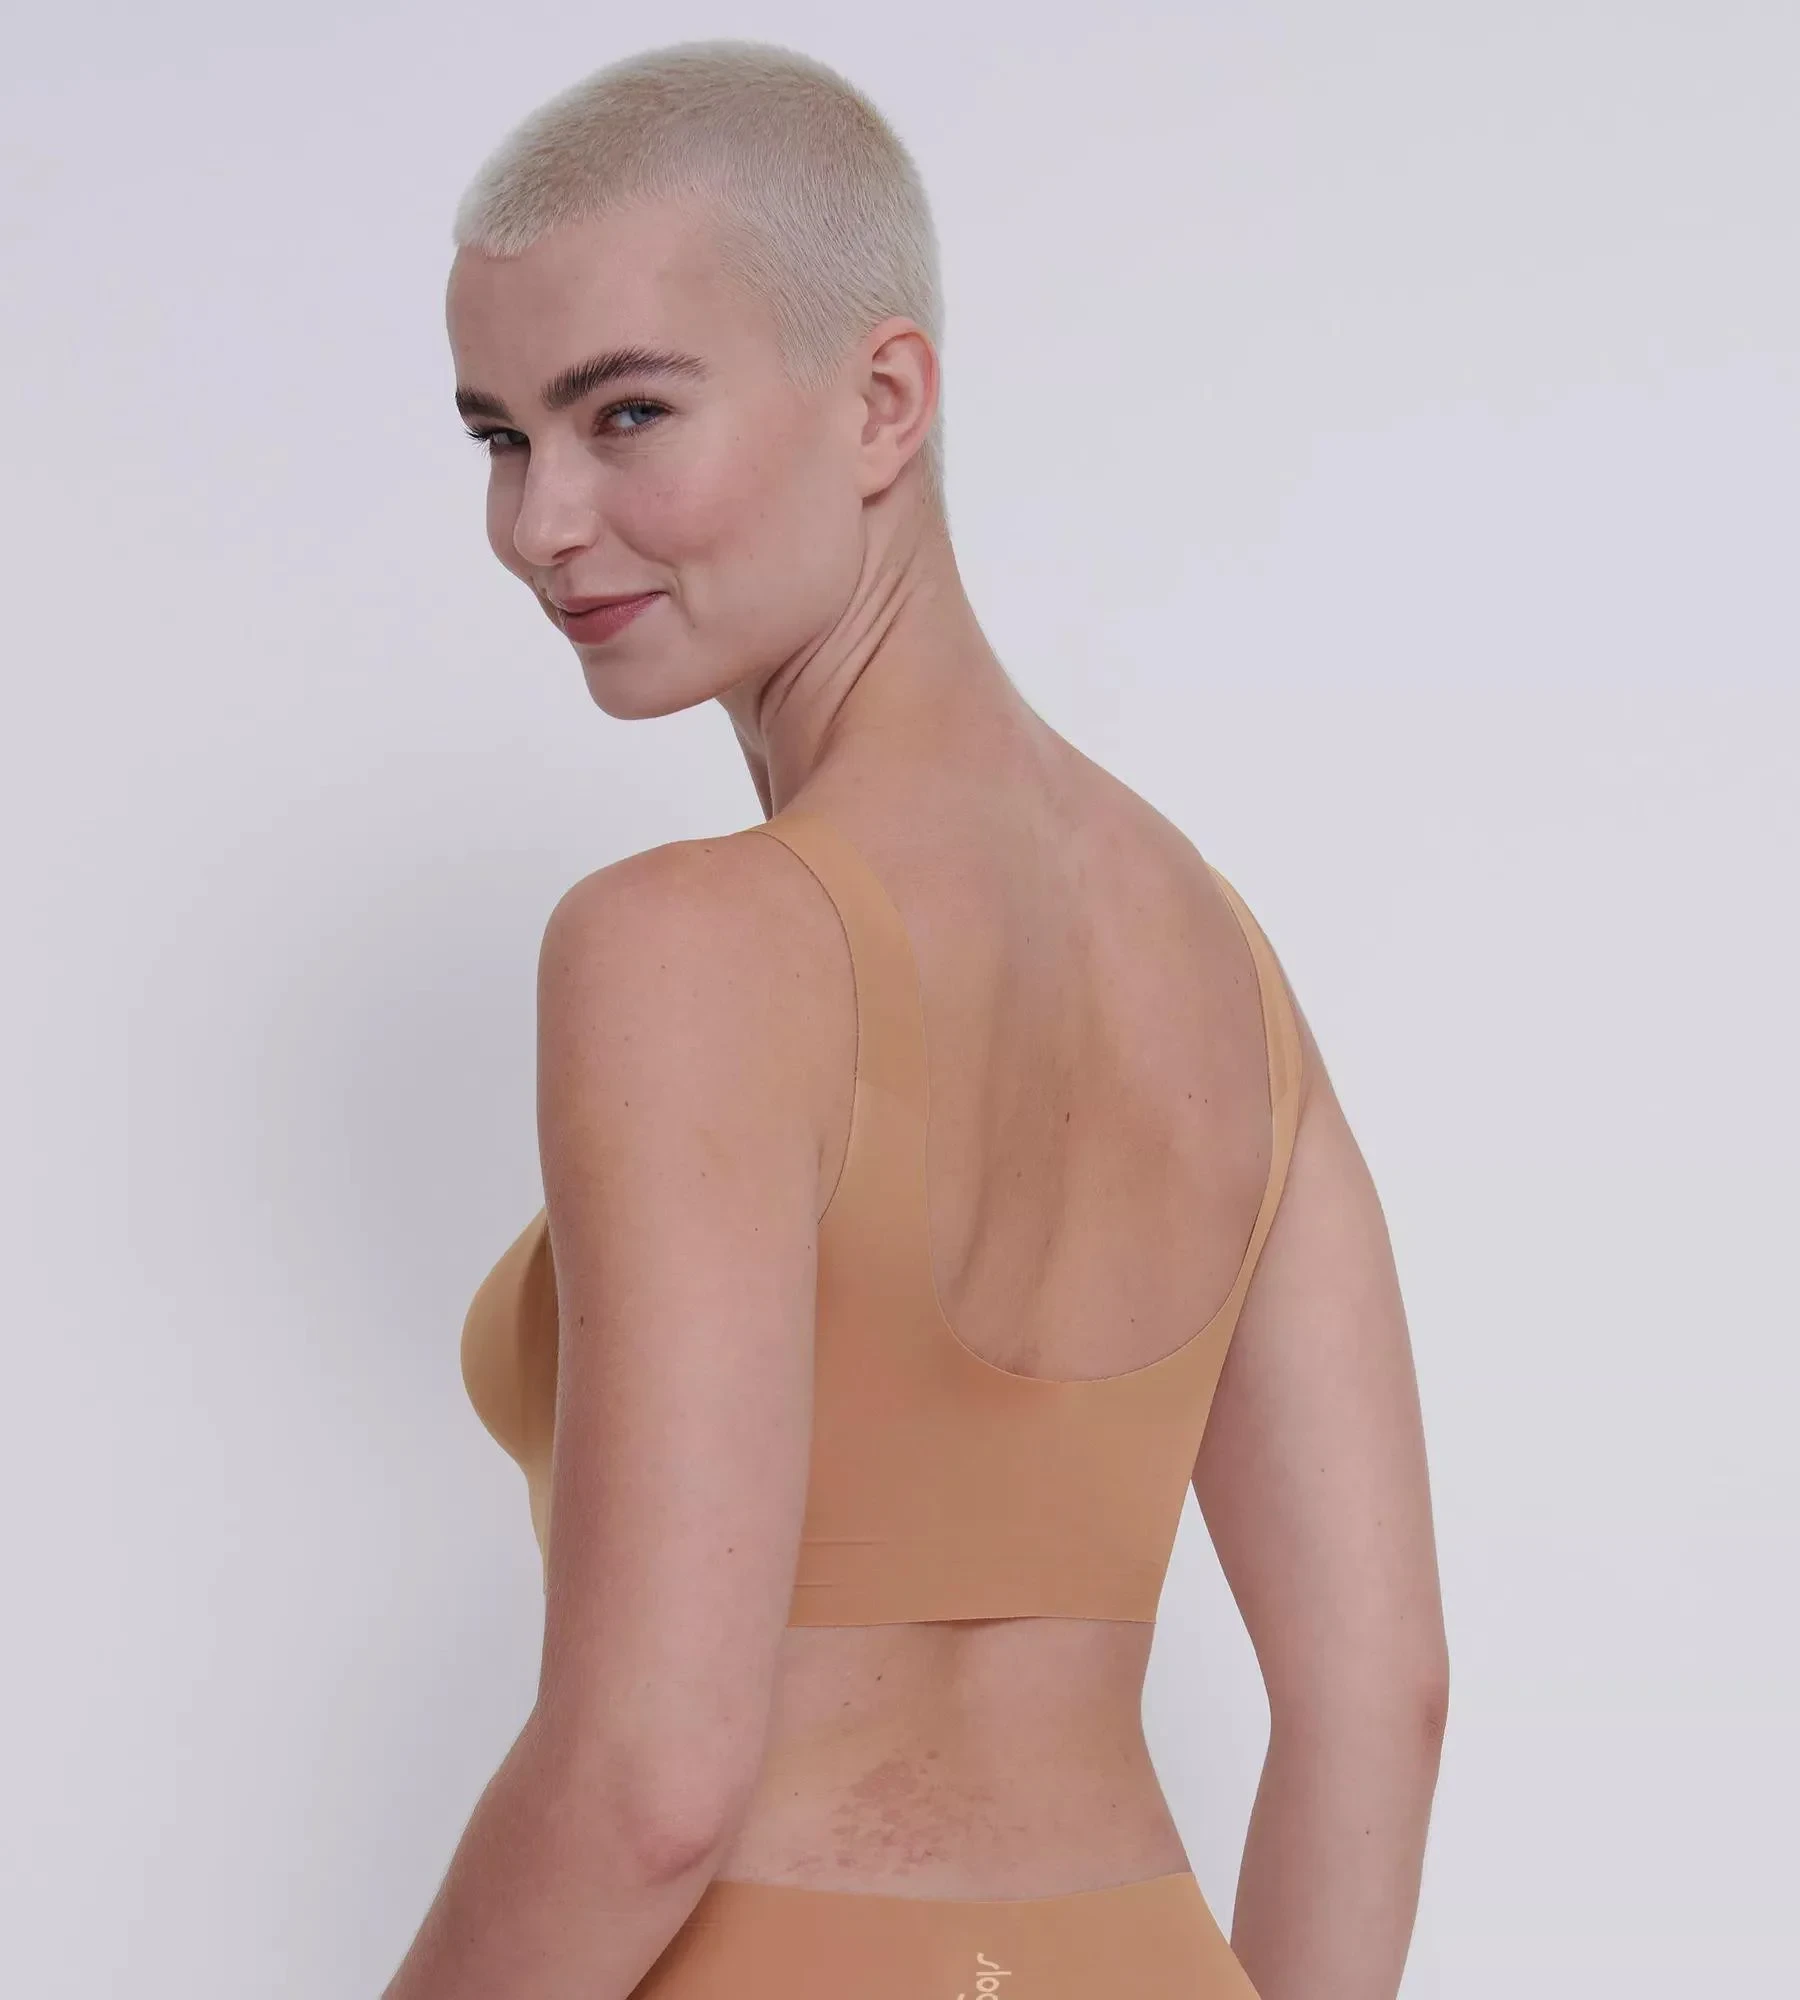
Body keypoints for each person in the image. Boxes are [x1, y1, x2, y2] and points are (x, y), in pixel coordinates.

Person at [383, 36, 1448, 2000]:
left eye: (626, 414)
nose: (542, 521)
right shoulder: (1224, 961)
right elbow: (1383, 1696)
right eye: (500, 438)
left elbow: (648, 1786)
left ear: (884, 402)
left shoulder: (686, 943)